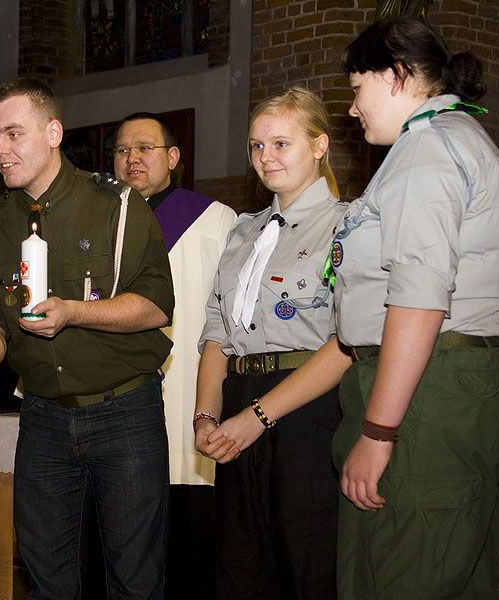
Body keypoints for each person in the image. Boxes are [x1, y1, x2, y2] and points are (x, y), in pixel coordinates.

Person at [211, 18, 499, 599]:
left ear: (398, 76)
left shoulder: (427, 150)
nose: (354, 110)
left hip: (428, 393)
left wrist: (379, 432)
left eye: (357, 90)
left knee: (398, 574)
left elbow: (418, 300)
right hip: (459, 382)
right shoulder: (466, 142)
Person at [0, 77, 174, 598]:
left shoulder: (117, 205)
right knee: (46, 577)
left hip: (124, 411)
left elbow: (153, 308)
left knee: (135, 579)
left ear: (53, 132)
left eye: (14, 134)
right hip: (42, 417)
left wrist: (74, 312)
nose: (0, 150)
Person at [194, 88, 346, 600]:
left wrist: (256, 418)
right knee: (241, 568)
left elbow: (346, 344)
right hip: (239, 399)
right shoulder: (244, 231)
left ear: (319, 145)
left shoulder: (348, 225)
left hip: (306, 406)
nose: (266, 158)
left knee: (307, 566)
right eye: (257, 146)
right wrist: (206, 417)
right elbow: (217, 332)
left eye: (282, 143)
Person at [113, 112, 236, 597]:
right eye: (123, 151)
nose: (133, 159)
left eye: (145, 148)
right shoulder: (100, 218)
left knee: (188, 546)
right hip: (117, 401)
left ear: (173, 158)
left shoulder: (214, 219)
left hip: (189, 391)